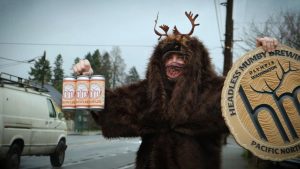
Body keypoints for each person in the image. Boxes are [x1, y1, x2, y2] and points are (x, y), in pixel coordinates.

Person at [73, 12, 278, 169]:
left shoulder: (216, 92)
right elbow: (111, 107)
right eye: (168, 57)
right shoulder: (146, 93)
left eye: (181, 57)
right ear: (160, 63)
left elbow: (253, 98)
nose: (174, 62)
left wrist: (264, 56)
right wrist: (89, 78)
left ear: (194, 62)